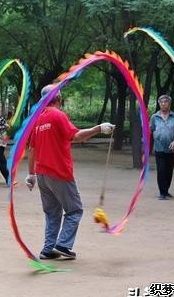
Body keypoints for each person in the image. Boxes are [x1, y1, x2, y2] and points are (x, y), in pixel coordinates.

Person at [26, 85, 114, 260]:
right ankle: (63, 245)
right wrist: (99, 128)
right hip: (59, 172)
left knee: (52, 213)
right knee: (75, 210)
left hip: (42, 174)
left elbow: (32, 149)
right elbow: (77, 136)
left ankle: (48, 249)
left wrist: (31, 175)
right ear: (59, 98)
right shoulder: (58, 115)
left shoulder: (37, 120)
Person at [150, 94, 174, 200]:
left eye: (165, 102)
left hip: (171, 149)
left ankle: (166, 190)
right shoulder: (155, 117)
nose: (163, 104)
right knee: (161, 170)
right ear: (159, 103)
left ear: (169, 103)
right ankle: (162, 193)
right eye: (161, 102)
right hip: (159, 148)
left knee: (169, 171)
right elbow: (151, 129)